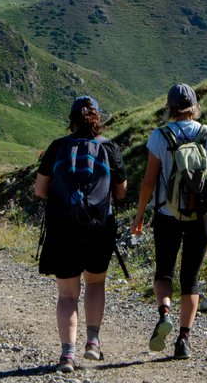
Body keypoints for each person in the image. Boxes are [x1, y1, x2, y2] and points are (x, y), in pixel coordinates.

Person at [130, 83, 207, 360]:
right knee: (191, 278)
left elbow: (148, 182)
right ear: (195, 106)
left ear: (169, 108)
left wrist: (139, 217)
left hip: (167, 215)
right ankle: (183, 339)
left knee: (164, 273)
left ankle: (164, 312)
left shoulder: (159, 137)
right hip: (202, 217)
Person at [34, 95, 128, 374]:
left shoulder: (57, 147)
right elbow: (121, 193)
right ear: (97, 119)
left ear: (71, 120)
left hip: (63, 229)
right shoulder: (109, 147)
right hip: (99, 228)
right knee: (96, 284)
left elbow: (40, 190)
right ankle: (93, 342)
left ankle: (67, 356)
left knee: (67, 295)